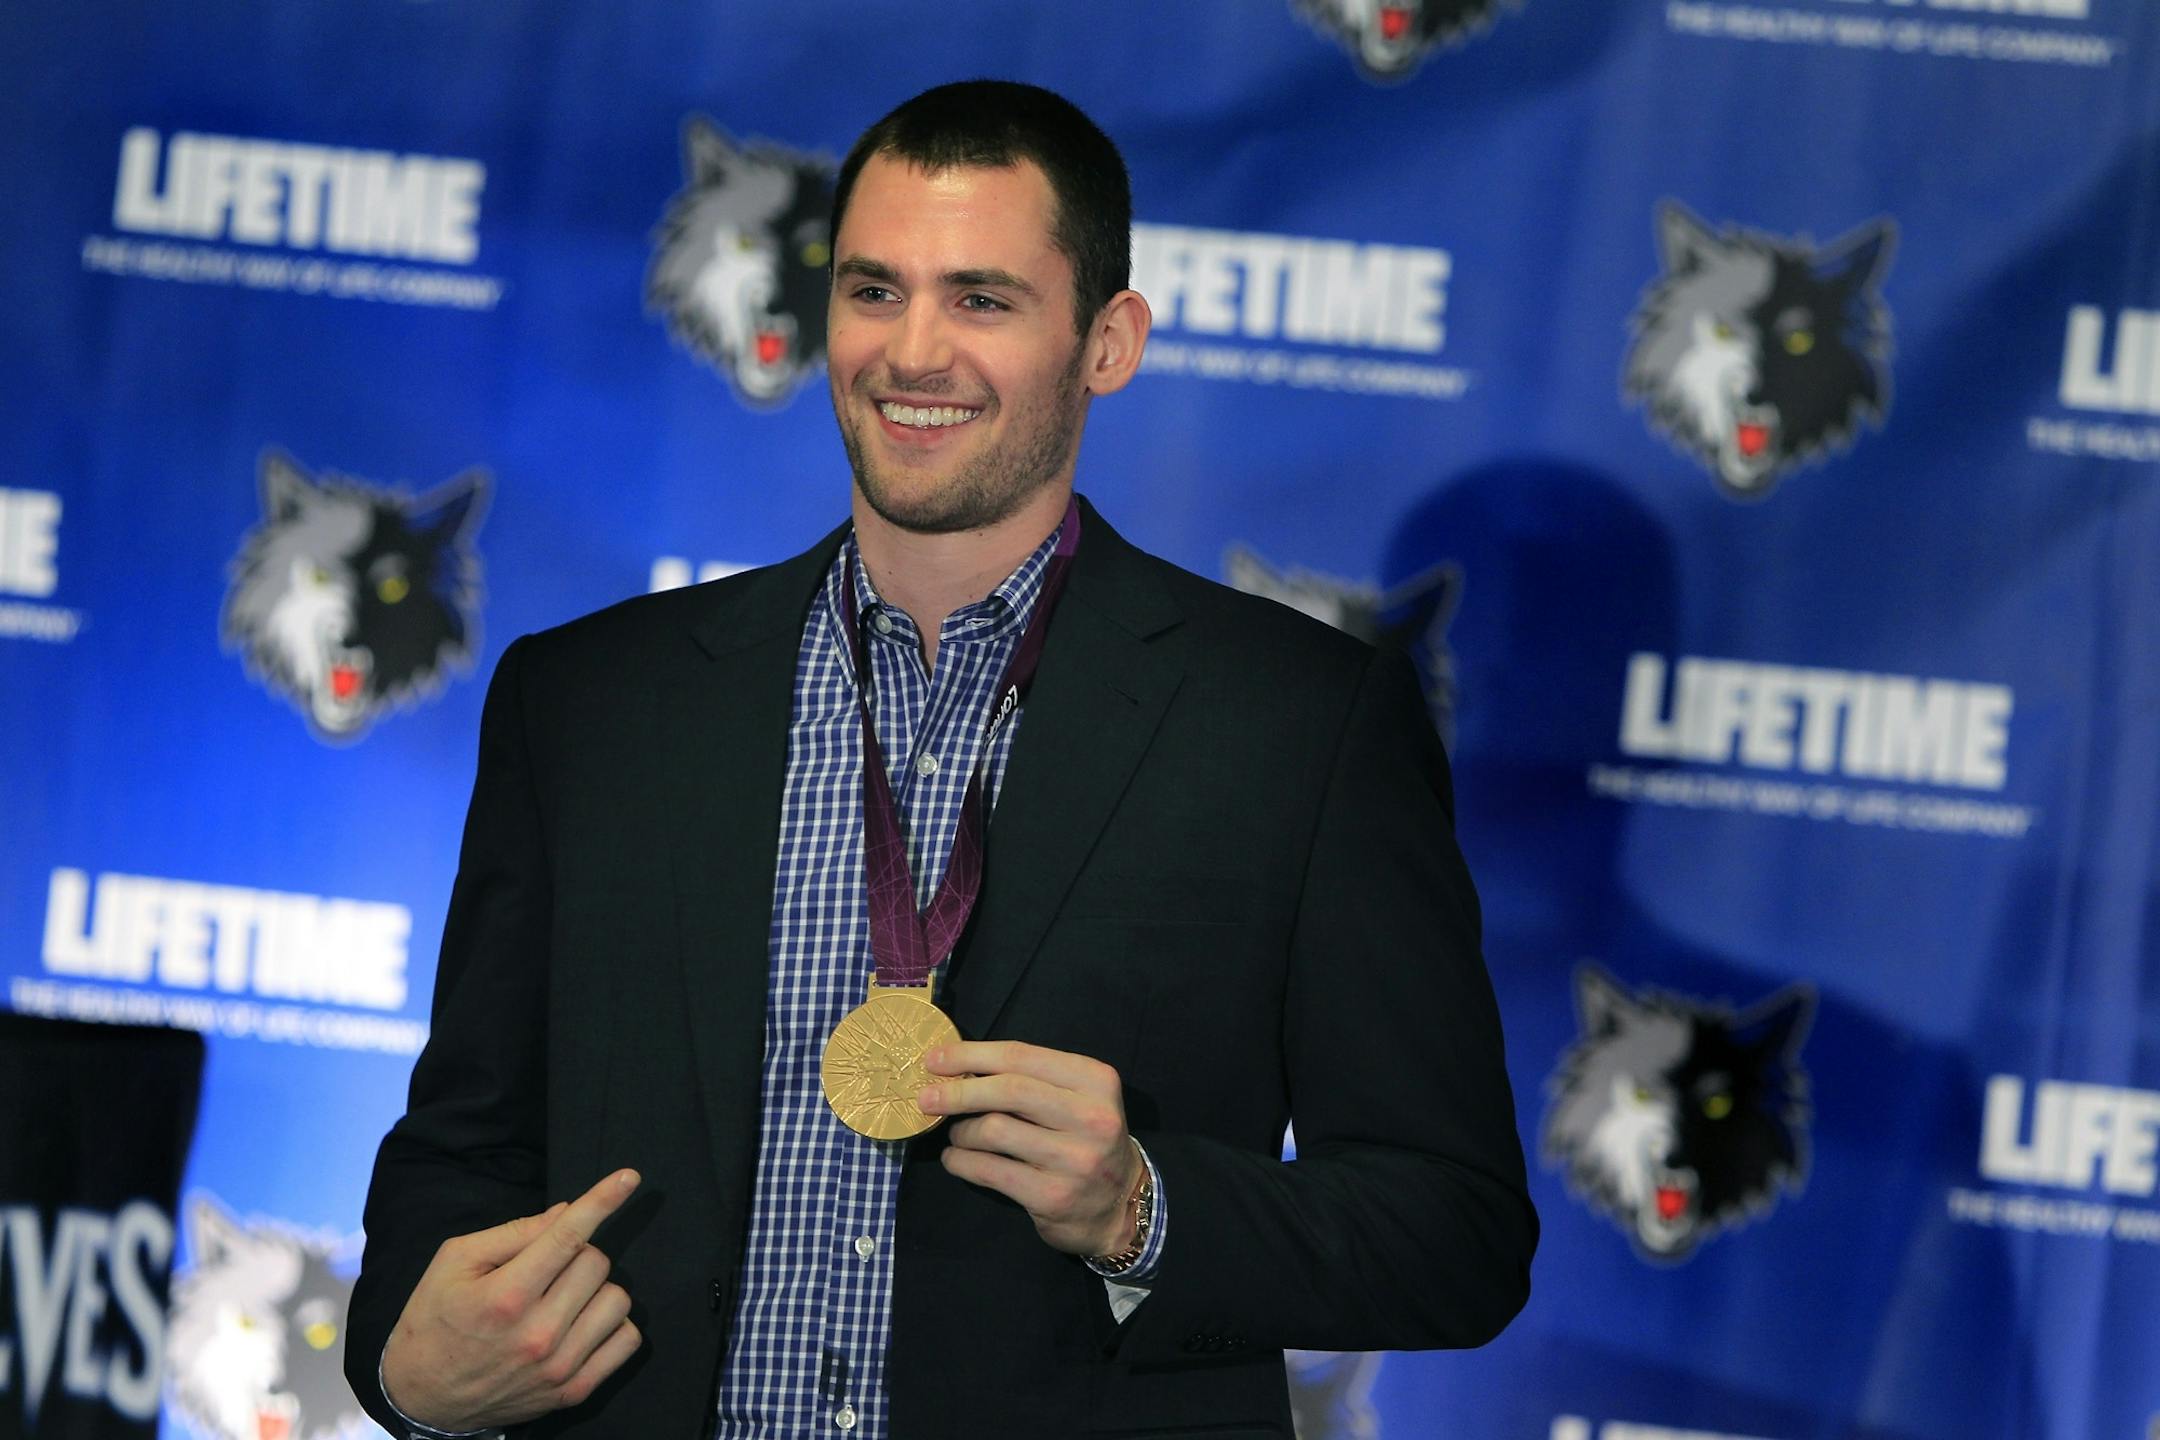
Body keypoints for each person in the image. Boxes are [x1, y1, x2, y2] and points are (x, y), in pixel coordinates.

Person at [346, 79, 1535, 1440]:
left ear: (1108, 342)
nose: (913, 352)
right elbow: (464, 1150)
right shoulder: (592, 700)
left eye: (981, 300)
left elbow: (1455, 1230)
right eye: (873, 291)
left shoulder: (1298, 723)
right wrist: (399, 1368)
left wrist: (1142, 1206)